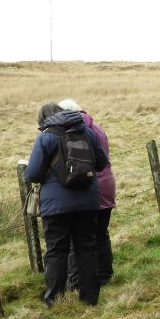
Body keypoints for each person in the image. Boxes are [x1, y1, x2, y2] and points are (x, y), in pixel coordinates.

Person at [26, 103, 108, 306]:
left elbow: (33, 174)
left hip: (55, 206)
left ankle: (55, 299)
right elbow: (101, 162)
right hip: (88, 200)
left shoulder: (45, 137)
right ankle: (90, 299)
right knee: (86, 248)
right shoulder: (87, 132)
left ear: (43, 119)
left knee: (56, 251)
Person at [58, 98, 116, 287]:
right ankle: (104, 274)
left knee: (79, 239)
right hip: (107, 184)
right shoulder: (96, 127)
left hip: (89, 187)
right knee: (101, 233)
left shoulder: (75, 132)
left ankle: (76, 282)